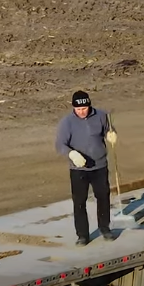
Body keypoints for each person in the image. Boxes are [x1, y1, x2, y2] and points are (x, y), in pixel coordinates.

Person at [55, 90, 116, 246]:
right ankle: (82, 235)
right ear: (73, 108)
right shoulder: (67, 122)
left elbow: (108, 130)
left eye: (84, 108)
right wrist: (71, 154)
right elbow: (60, 144)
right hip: (78, 169)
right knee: (79, 202)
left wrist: (112, 135)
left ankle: (105, 228)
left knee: (103, 197)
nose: (82, 112)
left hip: (100, 165)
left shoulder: (101, 115)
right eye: (78, 109)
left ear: (89, 105)